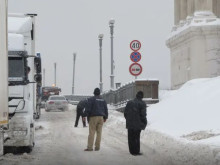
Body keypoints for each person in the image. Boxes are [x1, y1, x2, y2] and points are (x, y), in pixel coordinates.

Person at [124, 91, 147, 156]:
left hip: (130, 124)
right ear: (142, 96)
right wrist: (144, 122)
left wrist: (129, 120)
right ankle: (136, 151)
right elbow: (143, 115)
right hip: (138, 124)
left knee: (130, 137)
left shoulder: (129, 102)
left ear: (136, 95)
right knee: (136, 137)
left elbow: (125, 113)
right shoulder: (142, 103)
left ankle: (132, 151)